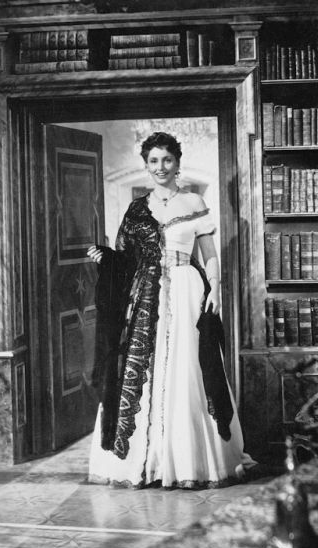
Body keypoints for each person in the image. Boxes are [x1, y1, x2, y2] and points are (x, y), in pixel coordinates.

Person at [87, 131, 255, 488]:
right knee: (142, 370)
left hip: (186, 289)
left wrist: (215, 288)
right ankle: (144, 464)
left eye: (167, 160)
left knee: (188, 368)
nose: (160, 167)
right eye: (153, 161)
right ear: (146, 165)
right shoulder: (136, 209)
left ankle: (189, 463)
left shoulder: (193, 201)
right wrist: (105, 258)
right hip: (146, 296)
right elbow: (126, 260)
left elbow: (210, 256)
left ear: (177, 162)